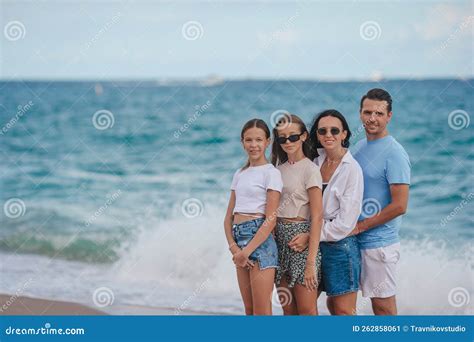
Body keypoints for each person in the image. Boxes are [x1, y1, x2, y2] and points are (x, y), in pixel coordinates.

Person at [351, 88, 411, 315]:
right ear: (360, 114)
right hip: (353, 242)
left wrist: (360, 226)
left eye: (378, 113)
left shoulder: (395, 153)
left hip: (380, 245)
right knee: (342, 305)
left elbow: (399, 206)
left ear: (389, 116)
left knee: (383, 309)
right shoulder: (358, 148)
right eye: (367, 112)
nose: (372, 118)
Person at [224, 118, 283, 315]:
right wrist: (235, 249)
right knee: (249, 310)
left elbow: (271, 219)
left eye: (259, 140)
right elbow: (228, 218)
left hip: (260, 242)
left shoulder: (271, 173)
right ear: (242, 142)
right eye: (249, 140)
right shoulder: (240, 173)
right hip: (239, 240)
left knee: (261, 311)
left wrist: (247, 251)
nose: (254, 145)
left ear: (267, 142)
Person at [308, 109, 364, 315]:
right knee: (304, 305)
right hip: (312, 245)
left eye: (334, 130)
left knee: (342, 310)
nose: (328, 135)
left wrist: (311, 236)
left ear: (344, 134)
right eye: (322, 131)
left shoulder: (352, 169)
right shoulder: (314, 162)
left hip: (340, 246)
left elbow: (345, 223)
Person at [271, 114, 323, 315]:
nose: (287, 142)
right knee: (288, 311)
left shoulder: (311, 169)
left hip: (301, 241)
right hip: (279, 240)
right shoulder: (277, 170)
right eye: (282, 138)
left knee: (307, 311)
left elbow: (318, 216)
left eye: (293, 136)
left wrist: (311, 263)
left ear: (303, 137)